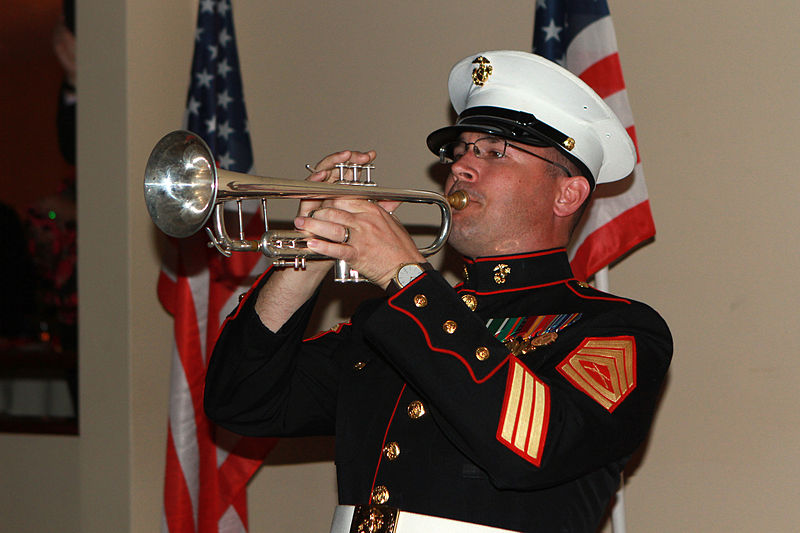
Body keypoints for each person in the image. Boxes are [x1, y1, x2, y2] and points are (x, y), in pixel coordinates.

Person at [204, 51, 672, 533]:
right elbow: (240, 400)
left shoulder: (617, 330)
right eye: (460, 151)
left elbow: (532, 451)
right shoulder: (393, 321)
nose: (461, 168)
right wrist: (311, 252)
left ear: (567, 194)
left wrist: (407, 277)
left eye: (493, 151)